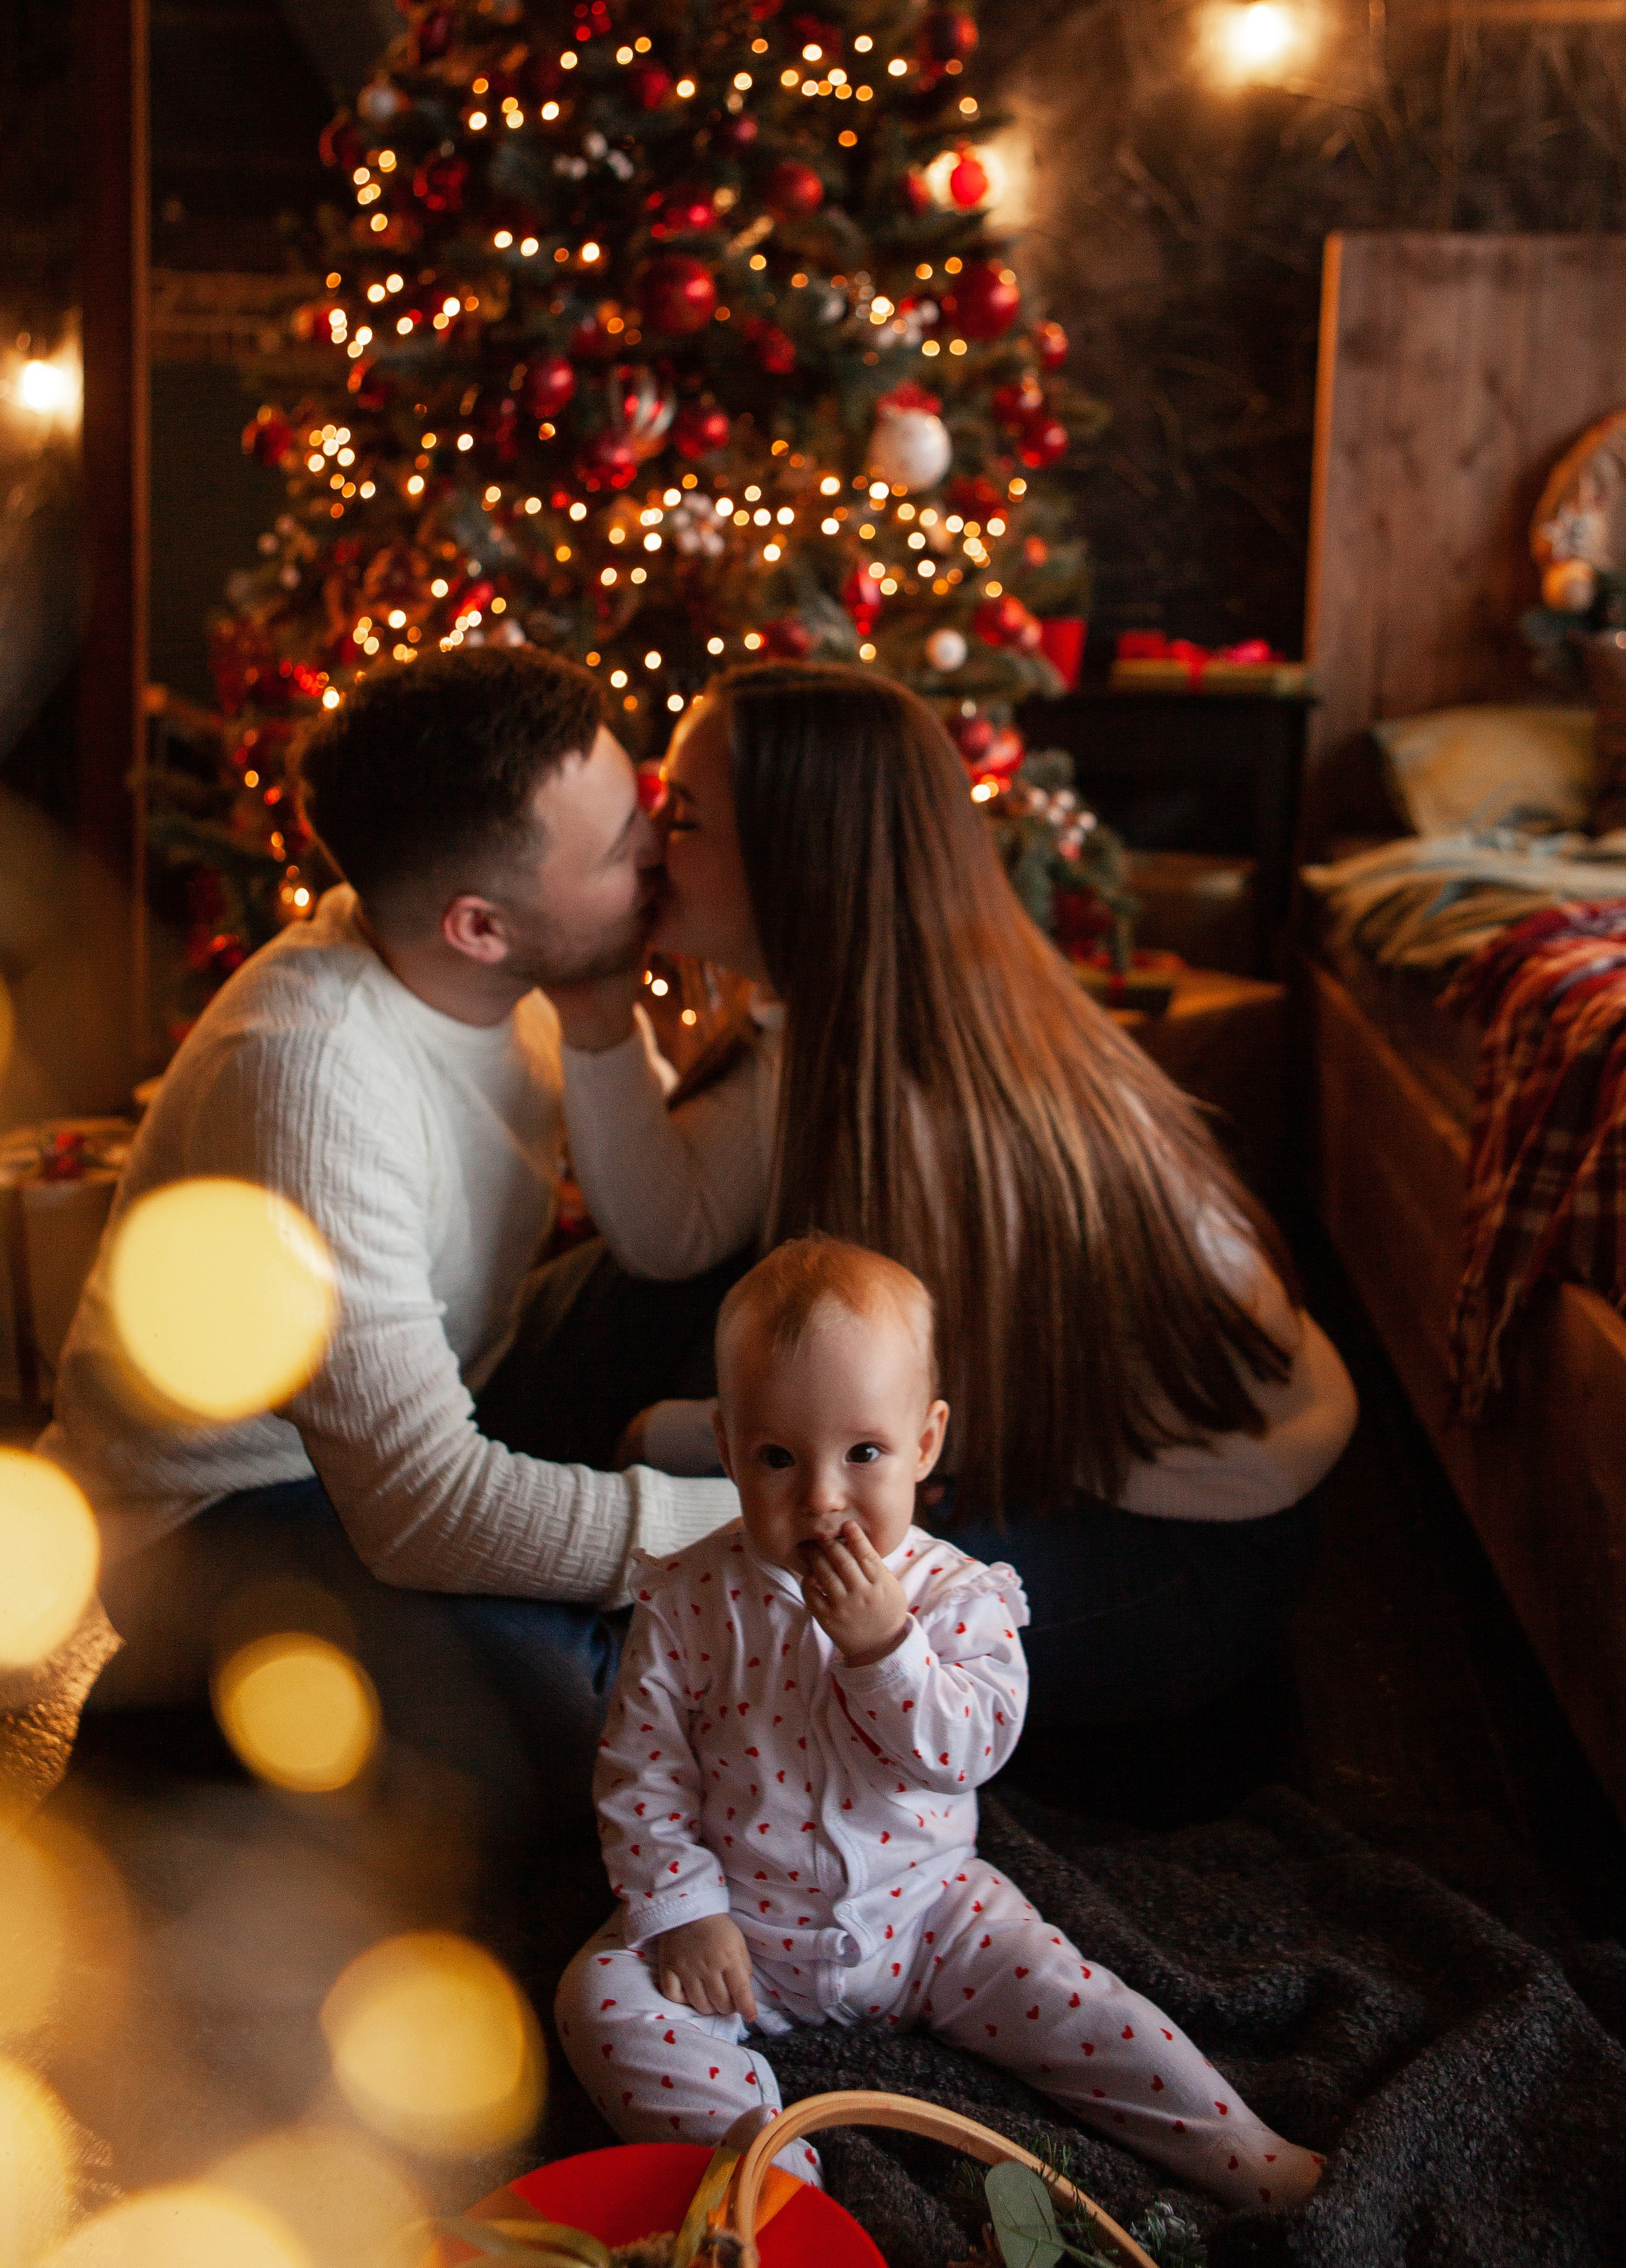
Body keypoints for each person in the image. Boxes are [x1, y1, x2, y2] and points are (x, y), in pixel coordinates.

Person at [550, 662, 1358, 1750]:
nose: (649, 842)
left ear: (797, 860)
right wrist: (599, 1016)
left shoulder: (925, 1119)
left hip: (1182, 1549)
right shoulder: (824, 1039)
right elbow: (669, 1233)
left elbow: (904, 1437)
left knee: (783, 1638)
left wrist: (682, 1439)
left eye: (683, 816)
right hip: (1045, 1463)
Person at [41, 646, 741, 1835]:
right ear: (481, 924)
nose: (661, 854)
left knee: (707, 1281)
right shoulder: (314, 1070)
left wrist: (600, 1009)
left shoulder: (504, 975)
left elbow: (667, 1229)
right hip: (232, 1512)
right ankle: (182, 1711)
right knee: (602, 1743)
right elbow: (423, 1505)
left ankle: (361, 1685)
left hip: (427, 1413)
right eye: (625, 849)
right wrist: (742, 1527)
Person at [556, 1238, 1323, 2210]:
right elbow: (643, 1770)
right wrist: (685, 1911)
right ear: (726, 1447)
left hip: (924, 1915)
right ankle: (778, 2196)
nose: (822, 1495)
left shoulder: (958, 1595)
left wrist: (887, 1651)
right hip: (746, 1931)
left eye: (863, 1452)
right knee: (599, 2001)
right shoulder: (689, 1600)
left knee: (1072, 1994)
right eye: (778, 1457)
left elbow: (972, 1748)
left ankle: (1240, 2149)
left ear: (925, 1442)